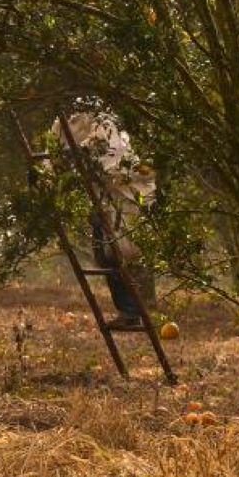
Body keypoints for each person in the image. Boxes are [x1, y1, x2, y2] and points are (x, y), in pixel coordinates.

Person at [59, 107, 156, 331]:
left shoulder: (116, 148)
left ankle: (131, 311)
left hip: (119, 208)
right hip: (106, 206)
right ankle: (128, 311)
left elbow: (115, 171)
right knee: (106, 259)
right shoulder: (99, 144)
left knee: (118, 258)